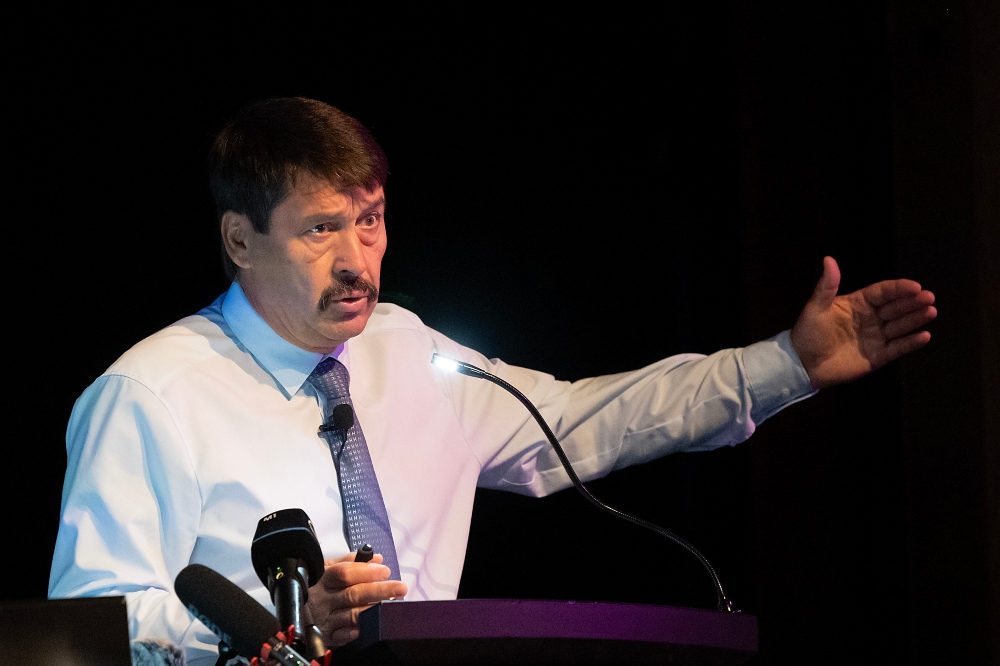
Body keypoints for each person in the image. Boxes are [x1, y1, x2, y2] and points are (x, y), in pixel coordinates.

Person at [48, 97, 937, 665]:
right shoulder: (151, 395)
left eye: (371, 221)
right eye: (322, 230)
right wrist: (279, 623)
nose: (358, 260)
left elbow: (580, 424)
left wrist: (786, 364)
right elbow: (88, 628)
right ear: (240, 240)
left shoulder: (406, 350)